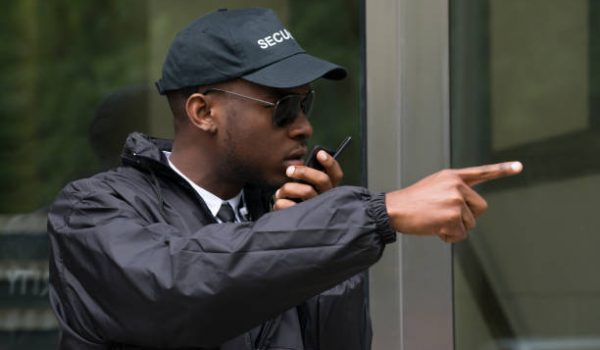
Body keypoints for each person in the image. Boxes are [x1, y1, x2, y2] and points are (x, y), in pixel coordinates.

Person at [47, 7, 522, 350]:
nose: (304, 126)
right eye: (284, 107)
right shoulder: (91, 211)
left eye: (306, 103)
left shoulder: (290, 219)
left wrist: (320, 244)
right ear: (203, 111)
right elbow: (179, 288)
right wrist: (372, 215)